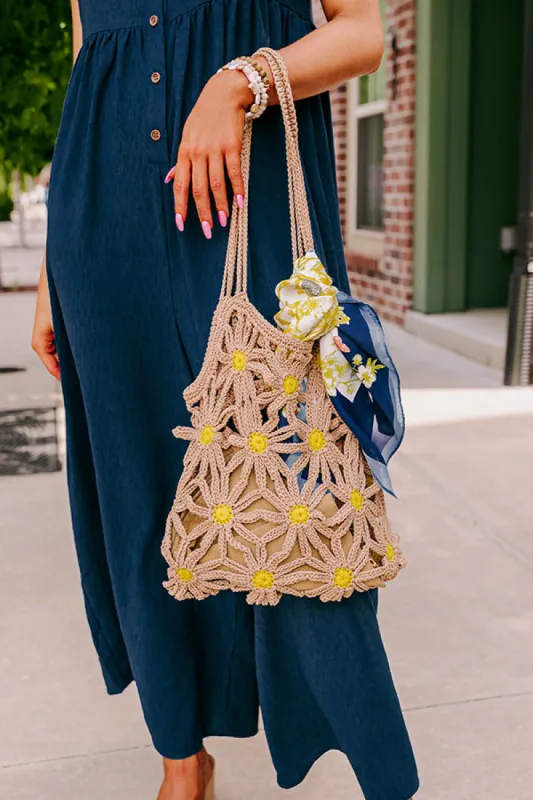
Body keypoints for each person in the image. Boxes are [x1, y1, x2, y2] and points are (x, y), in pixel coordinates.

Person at [32, 1, 418, 798]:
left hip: (255, 194)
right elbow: (87, 62)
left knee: (298, 475)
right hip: (102, 224)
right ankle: (181, 758)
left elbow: (362, 34)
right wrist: (49, 275)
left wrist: (240, 81)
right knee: (138, 490)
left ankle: (368, 758)